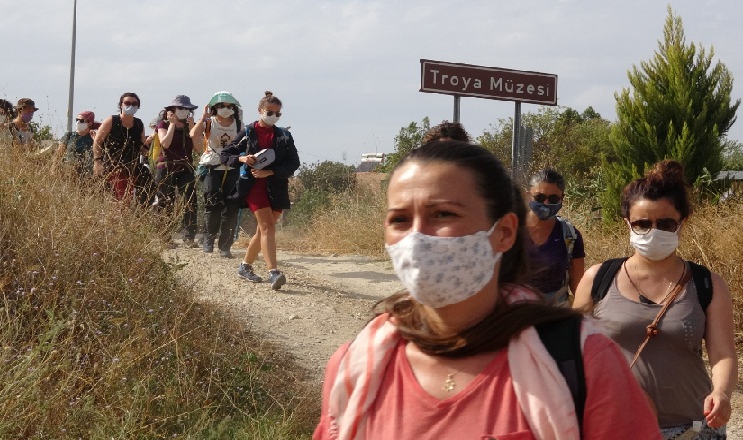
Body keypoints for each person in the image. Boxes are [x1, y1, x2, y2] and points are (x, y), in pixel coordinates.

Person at [313, 140, 661, 439]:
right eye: (399, 220)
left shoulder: (581, 363)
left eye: (443, 214)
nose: (417, 238)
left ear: (505, 233)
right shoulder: (357, 366)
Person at [573, 160, 737, 439]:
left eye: (665, 223)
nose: (653, 231)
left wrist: (721, 393)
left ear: (682, 223)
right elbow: (573, 351)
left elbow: (722, 354)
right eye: (642, 223)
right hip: (617, 426)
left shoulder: (707, 284)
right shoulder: (597, 279)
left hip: (694, 427)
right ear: (628, 223)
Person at [221, 91, 300, 290]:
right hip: (253, 186)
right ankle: (273, 272)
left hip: (276, 186)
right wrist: (242, 159)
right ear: (260, 111)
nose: (274, 116)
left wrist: (271, 172)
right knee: (268, 227)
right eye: (270, 112)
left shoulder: (284, 135)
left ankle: (245, 266)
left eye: (278, 113)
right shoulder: (248, 132)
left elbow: (294, 163)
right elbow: (226, 154)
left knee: (263, 229)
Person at [190, 91, 244, 258]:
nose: (225, 109)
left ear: (234, 108)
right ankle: (208, 240)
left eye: (229, 106)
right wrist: (203, 117)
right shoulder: (209, 122)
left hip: (232, 168)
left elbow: (245, 142)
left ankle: (225, 245)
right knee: (212, 203)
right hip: (211, 166)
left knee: (232, 206)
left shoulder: (238, 124)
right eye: (221, 106)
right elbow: (193, 134)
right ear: (215, 107)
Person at [524, 169, 585, 304]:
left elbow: (578, 287)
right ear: (529, 195)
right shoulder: (511, 230)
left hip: (555, 315)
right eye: (539, 197)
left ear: (562, 198)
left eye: (553, 199)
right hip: (516, 314)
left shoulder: (570, 236)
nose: (545, 203)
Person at [154, 95, 203, 247]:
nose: (183, 111)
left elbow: (198, 148)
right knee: (165, 202)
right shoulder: (163, 124)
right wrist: (172, 125)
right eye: (180, 108)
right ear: (172, 110)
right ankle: (164, 237)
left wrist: (193, 127)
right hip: (166, 167)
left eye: (186, 109)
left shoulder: (191, 126)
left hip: (185, 167)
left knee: (190, 201)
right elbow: (165, 143)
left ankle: (189, 237)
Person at [92, 92, 148, 202]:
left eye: (134, 103)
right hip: (113, 167)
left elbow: (142, 147)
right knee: (119, 200)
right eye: (127, 103)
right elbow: (98, 142)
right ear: (121, 105)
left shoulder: (138, 124)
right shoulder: (112, 121)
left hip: (132, 169)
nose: (130, 105)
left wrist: (149, 146)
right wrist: (97, 161)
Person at [51, 110, 99, 177]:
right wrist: (54, 169)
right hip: (69, 174)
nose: (78, 122)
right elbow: (59, 154)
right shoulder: (69, 136)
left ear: (90, 123)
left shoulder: (93, 138)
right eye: (77, 120)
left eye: (81, 120)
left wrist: (96, 140)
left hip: (88, 175)